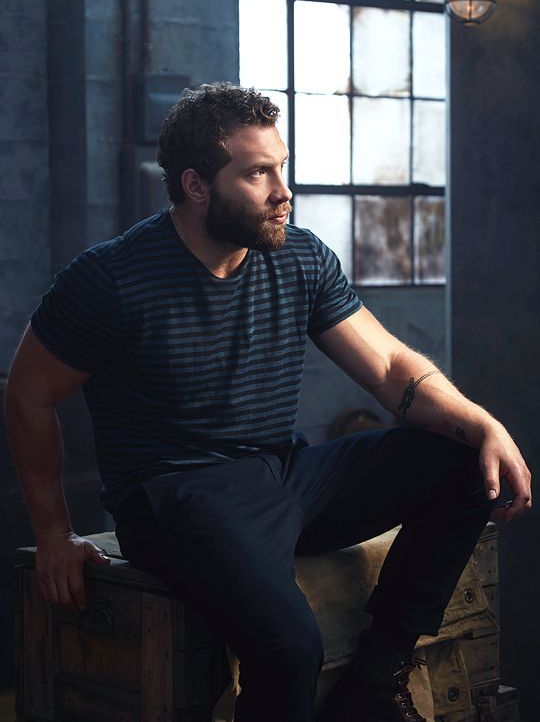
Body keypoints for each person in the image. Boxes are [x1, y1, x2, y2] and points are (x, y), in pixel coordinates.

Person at [5, 83, 532, 722]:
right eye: (258, 173)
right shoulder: (110, 278)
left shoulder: (299, 257)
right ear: (197, 185)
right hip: (176, 495)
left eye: (280, 166)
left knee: (463, 462)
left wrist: (482, 425)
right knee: (289, 645)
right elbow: (29, 395)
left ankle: (373, 679)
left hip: (280, 473)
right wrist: (54, 532)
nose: (283, 189)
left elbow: (391, 367)